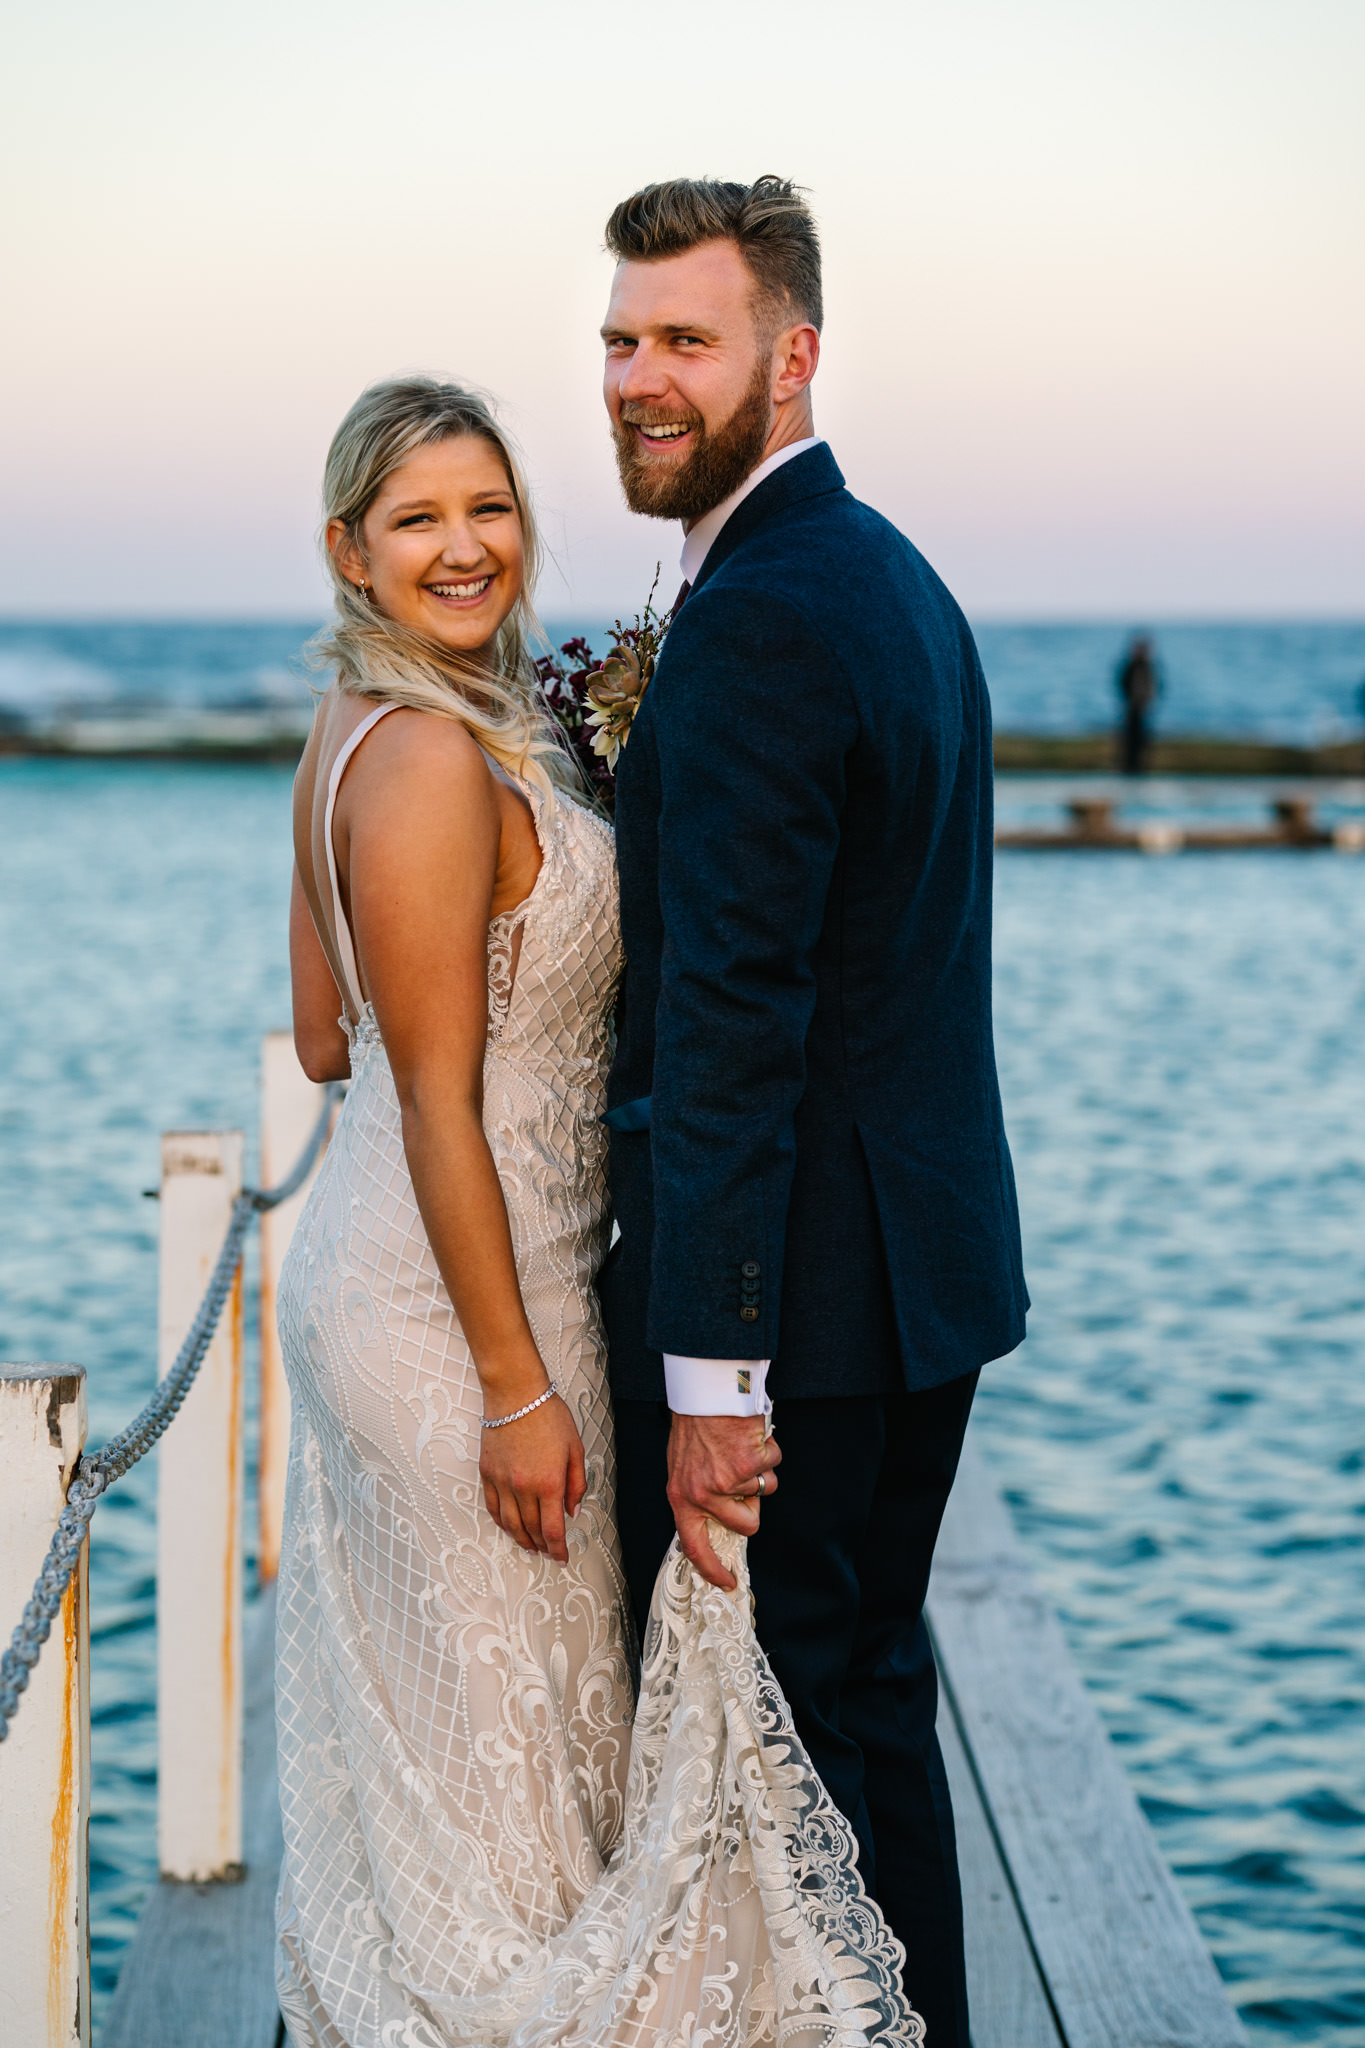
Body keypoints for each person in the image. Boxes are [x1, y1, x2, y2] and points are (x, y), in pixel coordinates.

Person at [274, 376, 920, 2046]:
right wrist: (512, 1383)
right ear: (350, 548)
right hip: (463, 1320)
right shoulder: (421, 755)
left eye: (488, 507)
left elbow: (324, 1028)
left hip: (404, 1279)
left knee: (483, 1766)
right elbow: (424, 1095)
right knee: (516, 1790)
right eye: (417, 518)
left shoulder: (354, 721)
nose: (465, 544)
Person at [596, 177, 1029, 2048]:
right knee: (864, 1706)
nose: (636, 378)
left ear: (793, 353)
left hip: (811, 1312)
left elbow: (738, 1023)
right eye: (618, 339)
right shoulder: (896, 577)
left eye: (683, 340)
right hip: (916, 1274)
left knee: (800, 1749)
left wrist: (713, 1380)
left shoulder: (770, 611)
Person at [1116, 632, 1159, 773]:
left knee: (1142, 738)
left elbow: (1154, 686)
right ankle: (1127, 766)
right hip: (1131, 706)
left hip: (1143, 707)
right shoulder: (1131, 665)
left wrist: (1147, 700)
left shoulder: (1147, 666)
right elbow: (1122, 684)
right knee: (1129, 738)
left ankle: (1139, 766)